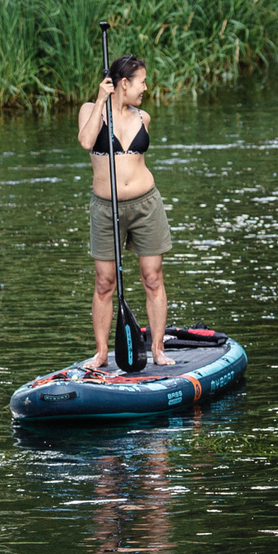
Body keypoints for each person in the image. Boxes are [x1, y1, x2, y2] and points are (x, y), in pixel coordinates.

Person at [76, 54, 176, 370]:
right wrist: (101, 98)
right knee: (105, 283)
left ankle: (158, 349)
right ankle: (102, 353)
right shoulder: (90, 111)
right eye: (142, 82)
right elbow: (86, 141)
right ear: (123, 83)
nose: (146, 88)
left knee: (152, 277)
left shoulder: (143, 117)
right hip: (106, 210)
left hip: (145, 205)